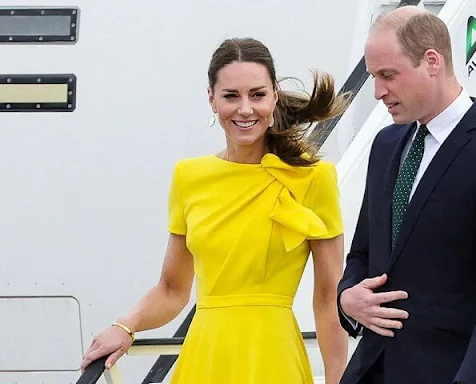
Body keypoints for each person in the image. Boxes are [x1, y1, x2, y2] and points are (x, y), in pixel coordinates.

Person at [81, 37, 350, 384]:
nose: (245, 109)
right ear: (211, 98)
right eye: (230, 96)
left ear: (274, 97)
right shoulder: (188, 177)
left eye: (257, 94)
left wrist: (338, 378)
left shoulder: (315, 177)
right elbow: (172, 289)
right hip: (205, 357)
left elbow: (329, 298)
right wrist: (125, 326)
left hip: (273, 359)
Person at [337, 6, 476, 384]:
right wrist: (347, 298)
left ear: (432, 61)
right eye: (373, 77)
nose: (379, 92)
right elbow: (363, 254)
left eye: (388, 75)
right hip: (370, 370)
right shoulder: (385, 145)